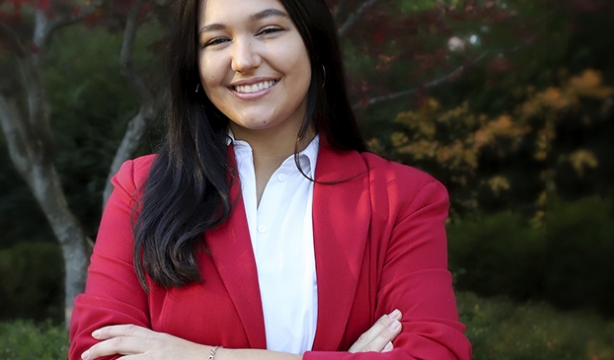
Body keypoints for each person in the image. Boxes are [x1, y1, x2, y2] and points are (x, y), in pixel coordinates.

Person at [69, 0, 472, 359]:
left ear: (314, 44)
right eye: (216, 40)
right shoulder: (140, 189)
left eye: (268, 30)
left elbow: (435, 353)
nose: (243, 59)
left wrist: (201, 356)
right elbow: (98, 351)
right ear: (194, 64)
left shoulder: (401, 198)